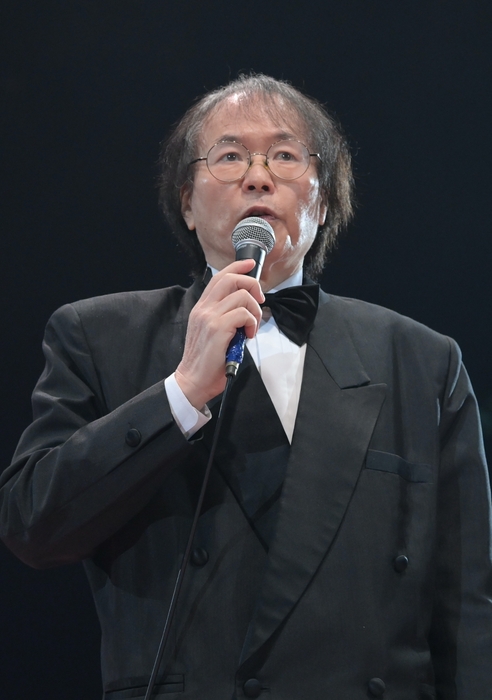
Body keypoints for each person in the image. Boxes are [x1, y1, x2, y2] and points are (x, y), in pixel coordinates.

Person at [1, 74, 491, 700]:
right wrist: (180, 394)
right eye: (230, 156)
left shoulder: (422, 360)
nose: (258, 177)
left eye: (284, 156)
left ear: (324, 201)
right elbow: (32, 527)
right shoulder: (96, 336)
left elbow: (468, 604)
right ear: (186, 202)